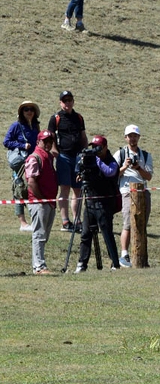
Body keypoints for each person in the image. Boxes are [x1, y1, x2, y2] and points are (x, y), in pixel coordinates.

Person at [74, 135, 120, 272]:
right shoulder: (89, 159)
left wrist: (97, 160)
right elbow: (79, 168)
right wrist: (80, 172)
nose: (94, 150)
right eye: (93, 147)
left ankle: (115, 263)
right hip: (90, 200)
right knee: (85, 233)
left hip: (105, 202)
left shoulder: (110, 161)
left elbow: (110, 172)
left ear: (105, 147)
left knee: (107, 233)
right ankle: (82, 264)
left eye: (98, 147)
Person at [113, 124, 153, 268]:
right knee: (128, 224)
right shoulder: (120, 154)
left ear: (139, 137)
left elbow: (148, 176)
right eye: (130, 136)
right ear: (125, 138)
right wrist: (124, 166)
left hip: (142, 191)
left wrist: (138, 168)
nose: (132, 139)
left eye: (135, 136)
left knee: (141, 224)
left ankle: (141, 255)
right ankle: (124, 254)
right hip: (126, 191)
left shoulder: (146, 155)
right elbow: (112, 174)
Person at [48, 90, 88, 232]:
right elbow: (51, 137)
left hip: (77, 157)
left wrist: (85, 153)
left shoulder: (79, 118)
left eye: (70, 100)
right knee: (64, 188)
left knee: (77, 189)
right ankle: (65, 221)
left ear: (73, 101)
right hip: (63, 157)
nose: (67, 103)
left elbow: (83, 136)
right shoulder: (56, 118)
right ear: (60, 102)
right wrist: (55, 152)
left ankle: (77, 220)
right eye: (65, 101)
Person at [4, 101, 41, 232]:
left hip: (33, 162)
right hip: (20, 163)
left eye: (31, 109)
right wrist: (22, 146)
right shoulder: (16, 125)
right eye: (26, 109)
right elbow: (6, 141)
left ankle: (35, 221)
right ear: (22, 112)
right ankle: (23, 223)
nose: (29, 111)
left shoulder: (36, 126)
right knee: (19, 190)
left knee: (32, 189)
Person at [25, 130, 59, 275]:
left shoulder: (49, 157)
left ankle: (40, 263)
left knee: (44, 235)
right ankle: (38, 266)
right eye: (45, 141)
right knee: (39, 234)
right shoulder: (34, 157)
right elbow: (31, 182)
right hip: (39, 202)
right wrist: (41, 200)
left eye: (50, 141)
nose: (48, 143)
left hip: (49, 202)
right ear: (38, 141)